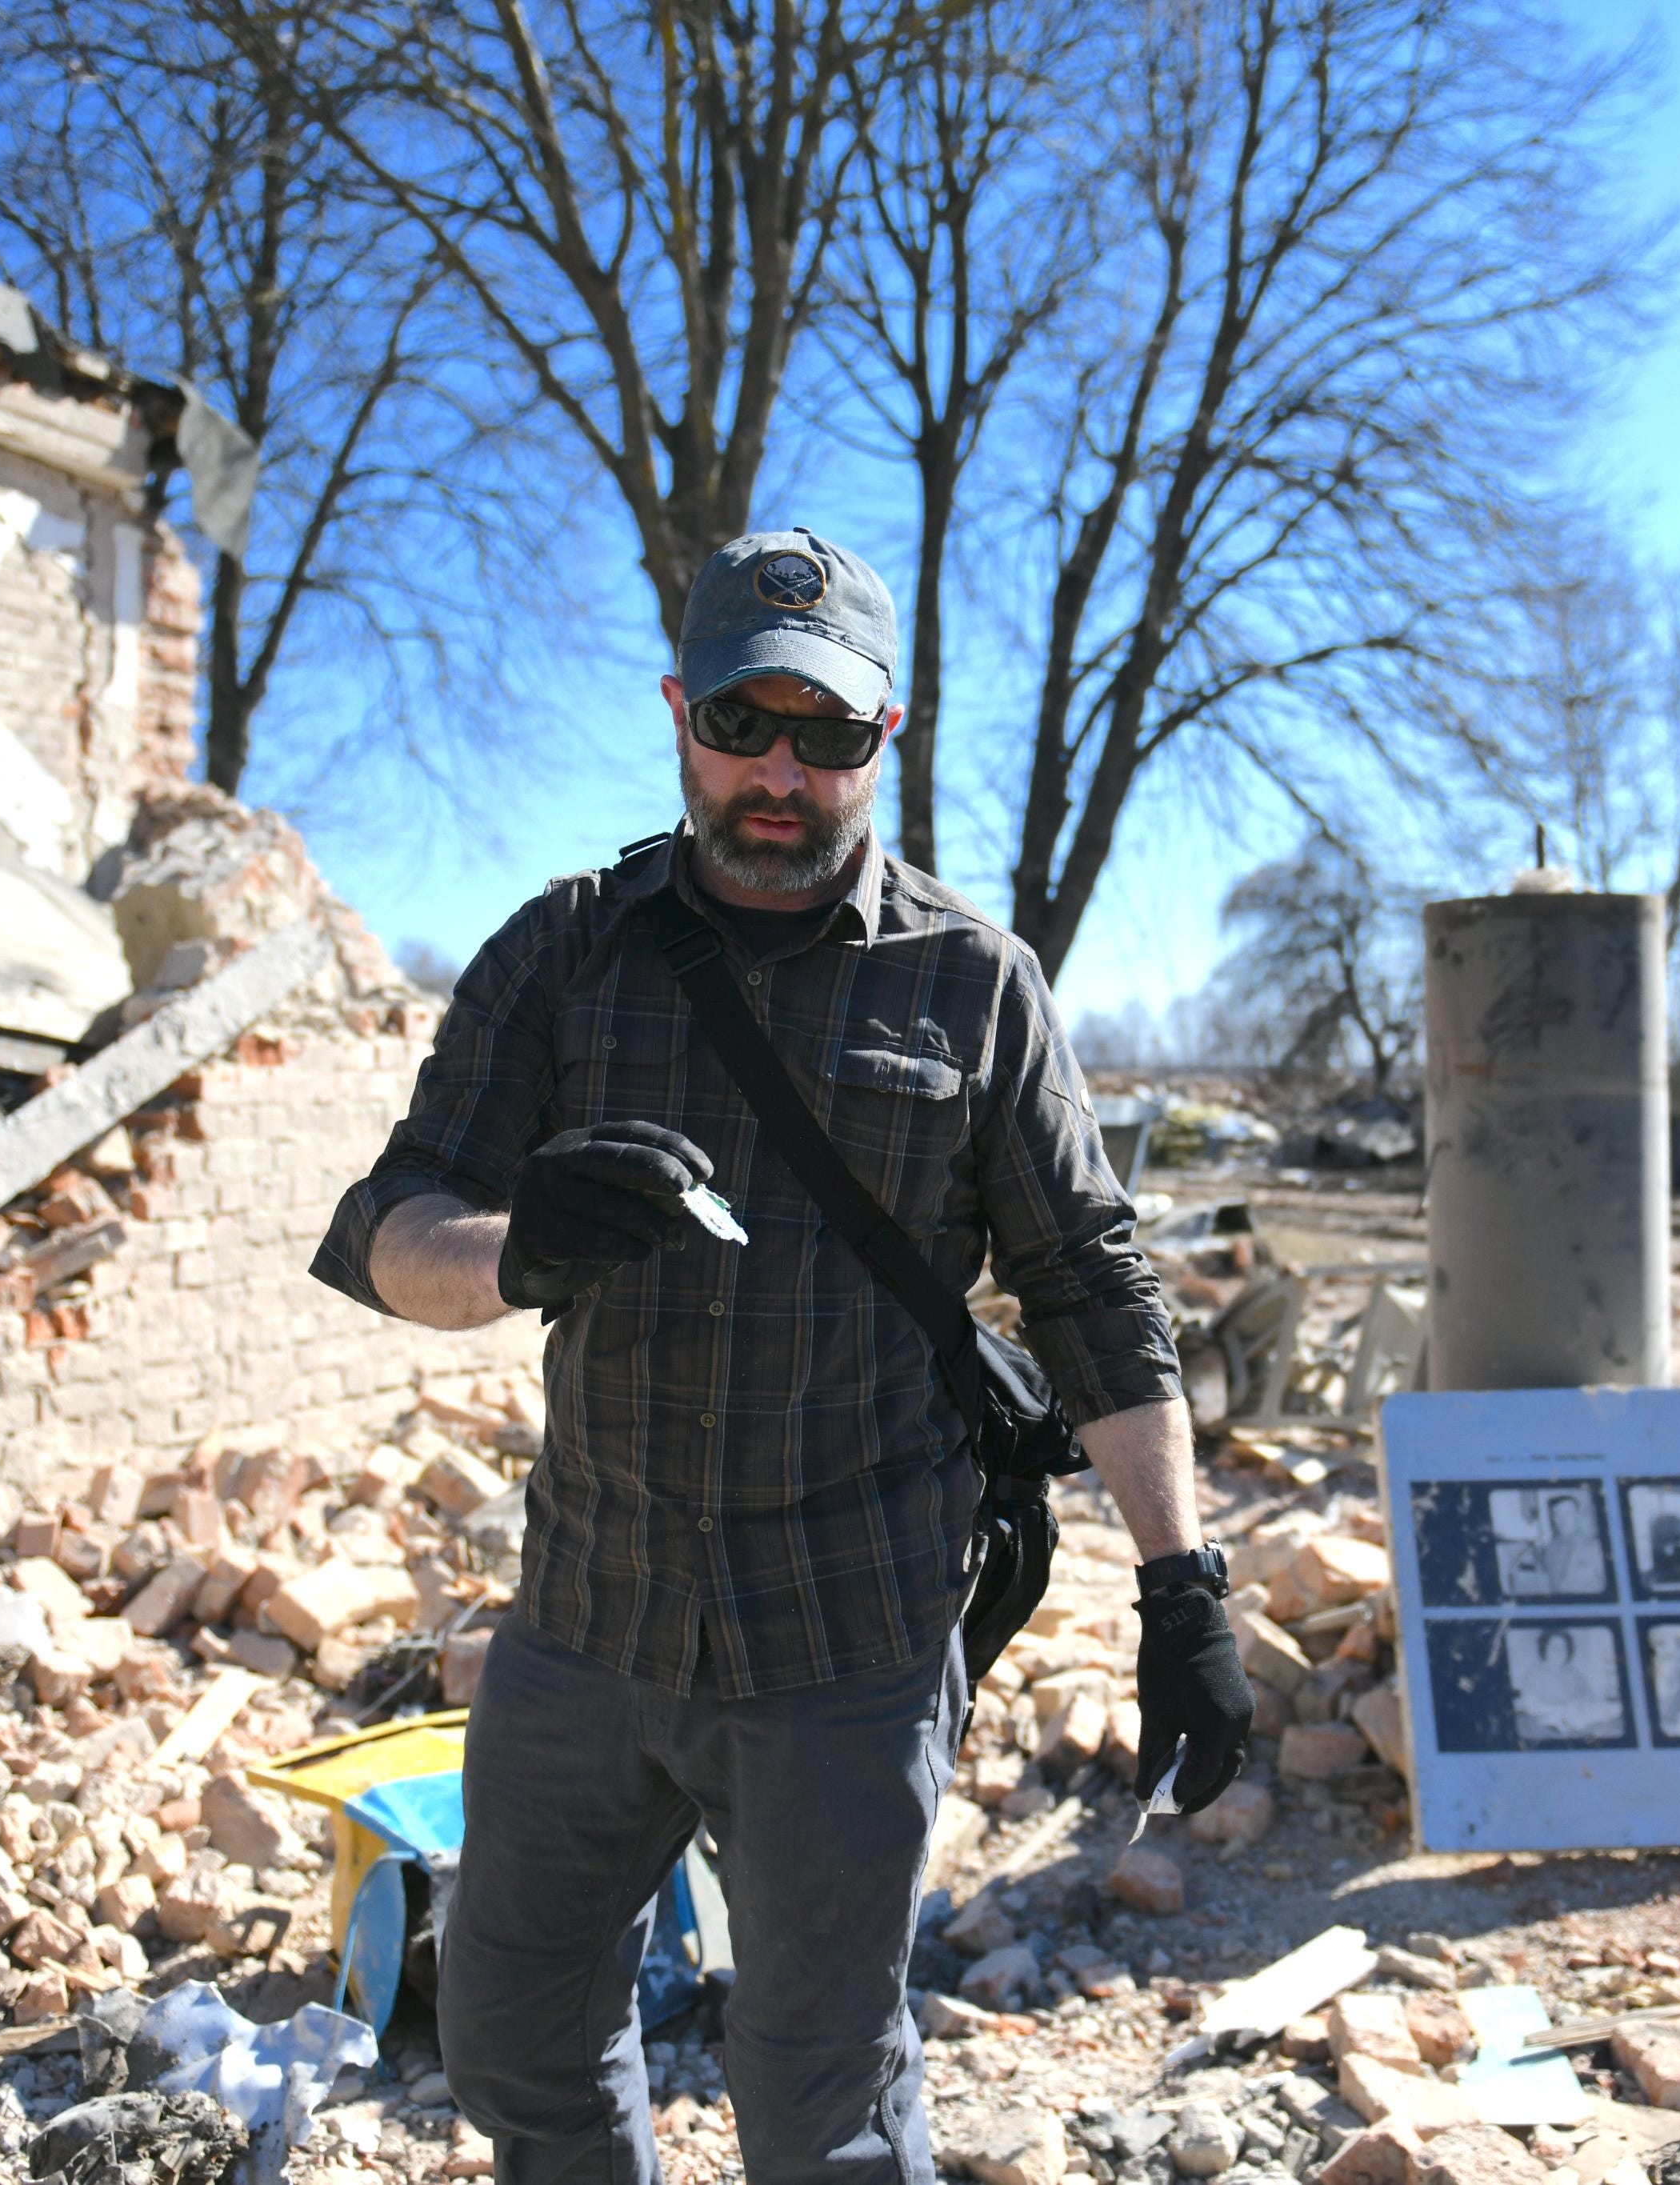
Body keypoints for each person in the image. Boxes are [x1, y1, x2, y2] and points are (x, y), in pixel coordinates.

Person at [310, 529, 1258, 2185]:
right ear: (679, 712)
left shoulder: (973, 988)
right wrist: (516, 1246)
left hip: (845, 1643)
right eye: (745, 721)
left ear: (881, 738)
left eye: (825, 735)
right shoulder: (562, 953)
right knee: (515, 2029)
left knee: (820, 2094)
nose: (778, 771)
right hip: (585, 1627)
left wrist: (1182, 1588)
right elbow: (391, 1226)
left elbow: (1090, 1292)